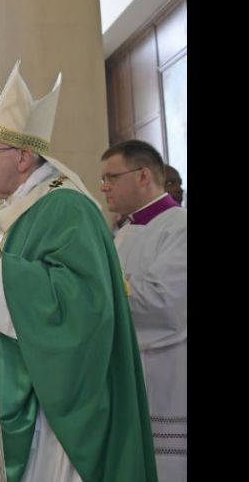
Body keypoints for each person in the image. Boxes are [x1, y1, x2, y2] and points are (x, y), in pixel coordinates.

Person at [0, 61, 157, 481]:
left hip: (56, 409)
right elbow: (32, 290)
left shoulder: (66, 207)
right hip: (29, 387)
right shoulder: (25, 211)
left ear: (25, 157)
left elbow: (85, 306)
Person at [100, 139, 187, 482]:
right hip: (127, 367)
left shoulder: (178, 226)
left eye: (111, 177)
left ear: (143, 176)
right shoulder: (123, 233)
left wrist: (98, 290)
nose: (104, 187)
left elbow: (166, 302)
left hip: (166, 369)